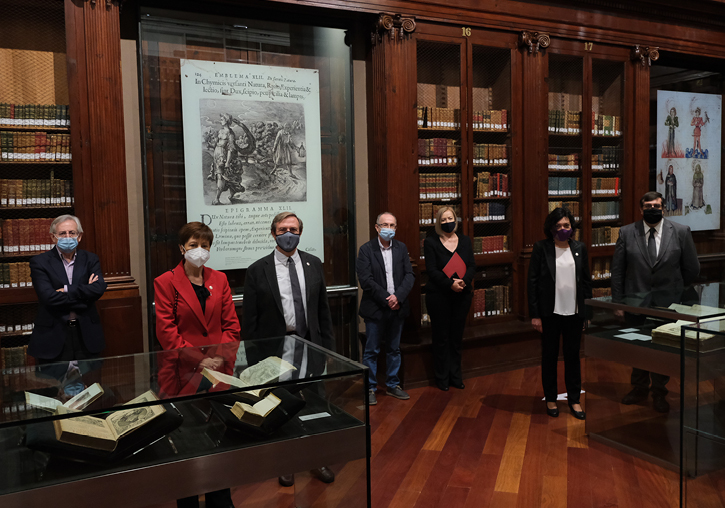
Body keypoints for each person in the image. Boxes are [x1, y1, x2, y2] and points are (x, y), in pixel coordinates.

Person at [243, 211, 335, 487]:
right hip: (275, 350)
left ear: (300, 232)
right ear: (273, 233)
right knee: (281, 406)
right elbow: (250, 321)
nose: (288, 234)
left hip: (310, 345)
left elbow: (323, 310)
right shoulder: (257, 270)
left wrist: (327, 351)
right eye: (283, 229)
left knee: (315, 405)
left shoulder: (313, 263)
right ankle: (286, 462)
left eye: (293, 229)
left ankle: (317, 458)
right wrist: (253, 364)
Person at [154, 221, 240, 508]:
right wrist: (198, 358)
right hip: (181, 373)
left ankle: (221, 502)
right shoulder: (165, 282)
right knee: (186, 442)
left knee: (219, 441)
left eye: (205, 245)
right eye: (193, 245)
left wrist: (219, 358)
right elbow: (166, 332)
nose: (200, 250)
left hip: (217, 371)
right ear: (182, 248)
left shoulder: (221, 279)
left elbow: (231, 326)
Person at [612, 191, 700, 413]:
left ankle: (660, 392)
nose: (653, 209)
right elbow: (618, 271)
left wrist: (675, 293)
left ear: (664, 208)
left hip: (667, 305)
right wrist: (618, 304)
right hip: (635, 302)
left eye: (657, 206)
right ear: (641, 210)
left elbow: (692, 268)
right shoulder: (626, 232)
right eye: (648, 206)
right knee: (639, 347)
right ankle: (639, 388)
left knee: (664, 349)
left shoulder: (680, 232)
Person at [527, 208, 591, 420]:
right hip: (549, 313)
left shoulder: (580, 248)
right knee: (550, 356)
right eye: (558, 226)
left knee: (573, 357)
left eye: (566, 225)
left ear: (571, 227)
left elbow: (586, 282)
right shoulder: (541, 248)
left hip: (574, 313)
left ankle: (574, 400)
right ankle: (551, 398)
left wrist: (586, 313)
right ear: (551, 228)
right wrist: (535, 315)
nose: (563, 229)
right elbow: (533, 283)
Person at [29, 215, 107, 372]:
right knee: (54, 390)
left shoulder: (90, 259)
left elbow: (98, 289)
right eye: (62, 233)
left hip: (86, 335)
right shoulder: (40, 262)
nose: (67, 237)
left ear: (79, 236)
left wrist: (66, 289)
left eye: (72, 233)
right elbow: (48, 297)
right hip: (53, 335)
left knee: (92, 388)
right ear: (53, 237)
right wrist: (85, 294)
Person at [356, 212, 415, 405]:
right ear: (376, 227)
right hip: (375, 308)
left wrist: (398, 297)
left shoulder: (401, 248)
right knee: (372, 350)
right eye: (385, 225)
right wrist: (386, 298)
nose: (388, 229)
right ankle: (371, 387)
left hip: (397, 307)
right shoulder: (366, 250)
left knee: (394, 348)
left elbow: (409, 275)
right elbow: (366, 280)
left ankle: (392, 385)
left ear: (396, 228)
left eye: (392, 225)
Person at [424, 206, 475, 391]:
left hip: (462, 296)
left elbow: (471, 265)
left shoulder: (466, 241)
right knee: (441, 338)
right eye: (443, 220)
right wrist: (449, 284)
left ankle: (456, 376)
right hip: (439, 297)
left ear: (456, 219)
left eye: (450, 218)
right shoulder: (431, 242)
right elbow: (431, 270)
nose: (447, 222)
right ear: (438, 222)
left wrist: (464, 281)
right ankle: (442, 378)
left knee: (456, 338)